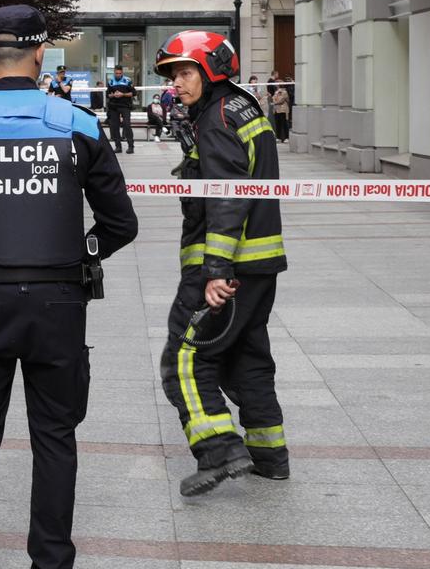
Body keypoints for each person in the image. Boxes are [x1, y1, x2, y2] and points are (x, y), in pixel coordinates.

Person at [0, 7, 138, 569]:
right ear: (40, 55)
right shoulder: (76, 125)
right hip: (59, 305)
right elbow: (121, 224)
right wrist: (79, 255)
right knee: (55, 441)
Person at [155, 31, 289, 495]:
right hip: (260, 263)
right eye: (173, 74)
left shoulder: (215, 119)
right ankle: (270, 456)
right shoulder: (244, 107)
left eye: (186, 71)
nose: (177, 82)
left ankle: (219, 451)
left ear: (211, 69)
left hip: (225, 266)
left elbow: (227, 196)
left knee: (184, 360)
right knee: (248, 358)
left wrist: (215, 272)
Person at [105, 65, 136, 154]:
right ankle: (118, 146)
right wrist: (113, 95)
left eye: (120, 73)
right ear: (114, 72)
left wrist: (123, 94)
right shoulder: (111, 81)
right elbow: (108, 95)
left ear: (122, 73)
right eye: (116, 73)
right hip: (113, 106)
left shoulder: (127, 80)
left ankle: (131, 146)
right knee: (115, 127)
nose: (118, 75)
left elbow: (133, 93)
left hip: (125, 106)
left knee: (127, 125)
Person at [269, 77, 293, 142]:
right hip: (276, 110)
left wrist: (274, 103)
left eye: (276, 83)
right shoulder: (276, 92)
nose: (275, 85)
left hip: (283, 109)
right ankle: (278, 137)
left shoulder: (284, 91)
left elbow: (281, 100)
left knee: (284, 124)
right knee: (278, 124)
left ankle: (286, 137)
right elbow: (273, 99)